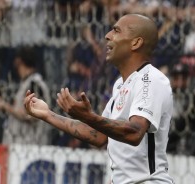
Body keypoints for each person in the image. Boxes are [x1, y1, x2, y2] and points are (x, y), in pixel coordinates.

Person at [24, 14, 174, 184]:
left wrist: (88, 116)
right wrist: (48, 115)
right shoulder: (120, 84)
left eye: (116, 31)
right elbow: (99, 136)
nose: (108, 35)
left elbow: (135, 132)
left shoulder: (151, 79)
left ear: (135, 43)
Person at [0, 46, 52, 145]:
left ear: (18, 61)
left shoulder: (34, 83)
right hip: (20, 144)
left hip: (28, 144)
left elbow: (32, 115)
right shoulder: (27, 83)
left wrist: (5, 106)